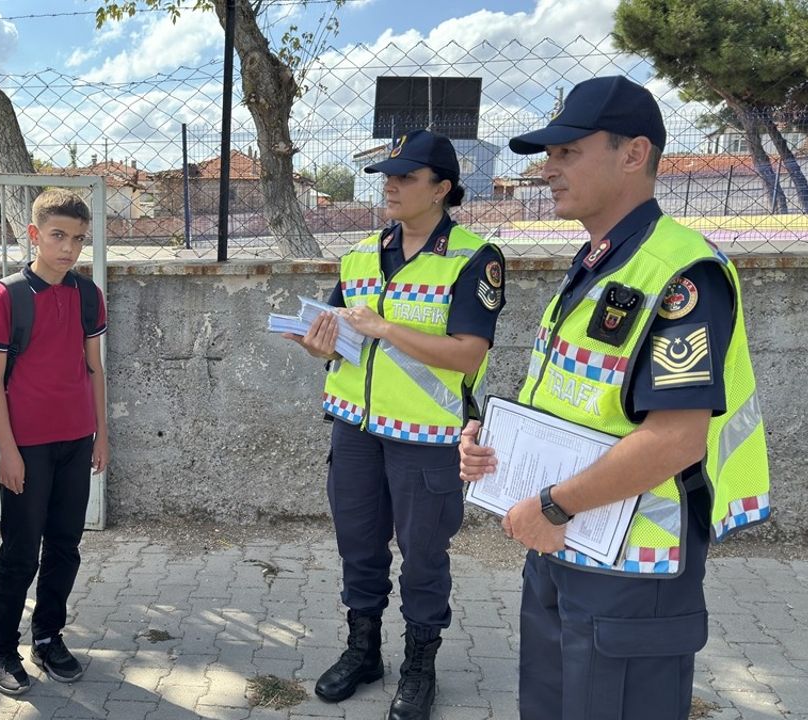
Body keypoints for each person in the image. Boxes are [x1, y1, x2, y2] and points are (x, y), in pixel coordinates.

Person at [459, 76, 770, 720]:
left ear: (633, 153)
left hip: (632, 569)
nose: (549, 170)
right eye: (549, 155)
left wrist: (552, 502)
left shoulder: (681, 271)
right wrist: (496, 452)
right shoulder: (597, 262)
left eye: (567, 152)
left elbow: (677, 437)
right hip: (567, 545)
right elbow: (574, 402)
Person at [285, 129, 505, 720]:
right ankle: (364, 651)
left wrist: (384, 327)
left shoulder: (474, 258)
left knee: (424, 556)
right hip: (354, 428)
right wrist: (318, 345)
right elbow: (342, 343)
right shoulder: (359, 254)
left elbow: (467, 353)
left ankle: (419, 667)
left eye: (407, 177)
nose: (392, 185)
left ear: (443, 190)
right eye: (388, 175)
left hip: (428, 439)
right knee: (359, 549)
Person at [0, 189, 109, 697]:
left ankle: (48, 636)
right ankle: (2, 646)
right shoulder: (8, 296)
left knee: (66, 545)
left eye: (78, 239)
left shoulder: (87, 294)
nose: (68, 248)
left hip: (77, 441)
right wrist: (7, 450)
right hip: (27, 447)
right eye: (58, 236)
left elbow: (94, 367)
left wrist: (102, 435)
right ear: (34, 235)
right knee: (19, 551)